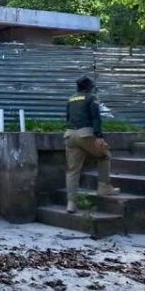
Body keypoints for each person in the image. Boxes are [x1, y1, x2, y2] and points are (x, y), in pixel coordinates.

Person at [65, 75, 120, 213]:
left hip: (70, 135)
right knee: (105, 155)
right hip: (86, 134)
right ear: (89, 87)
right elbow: (96, 117)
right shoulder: (91, 97)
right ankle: (104, 187)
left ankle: (71, 204)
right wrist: (99, 136)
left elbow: (67, 117)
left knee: (73, 170)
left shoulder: (71, 99)